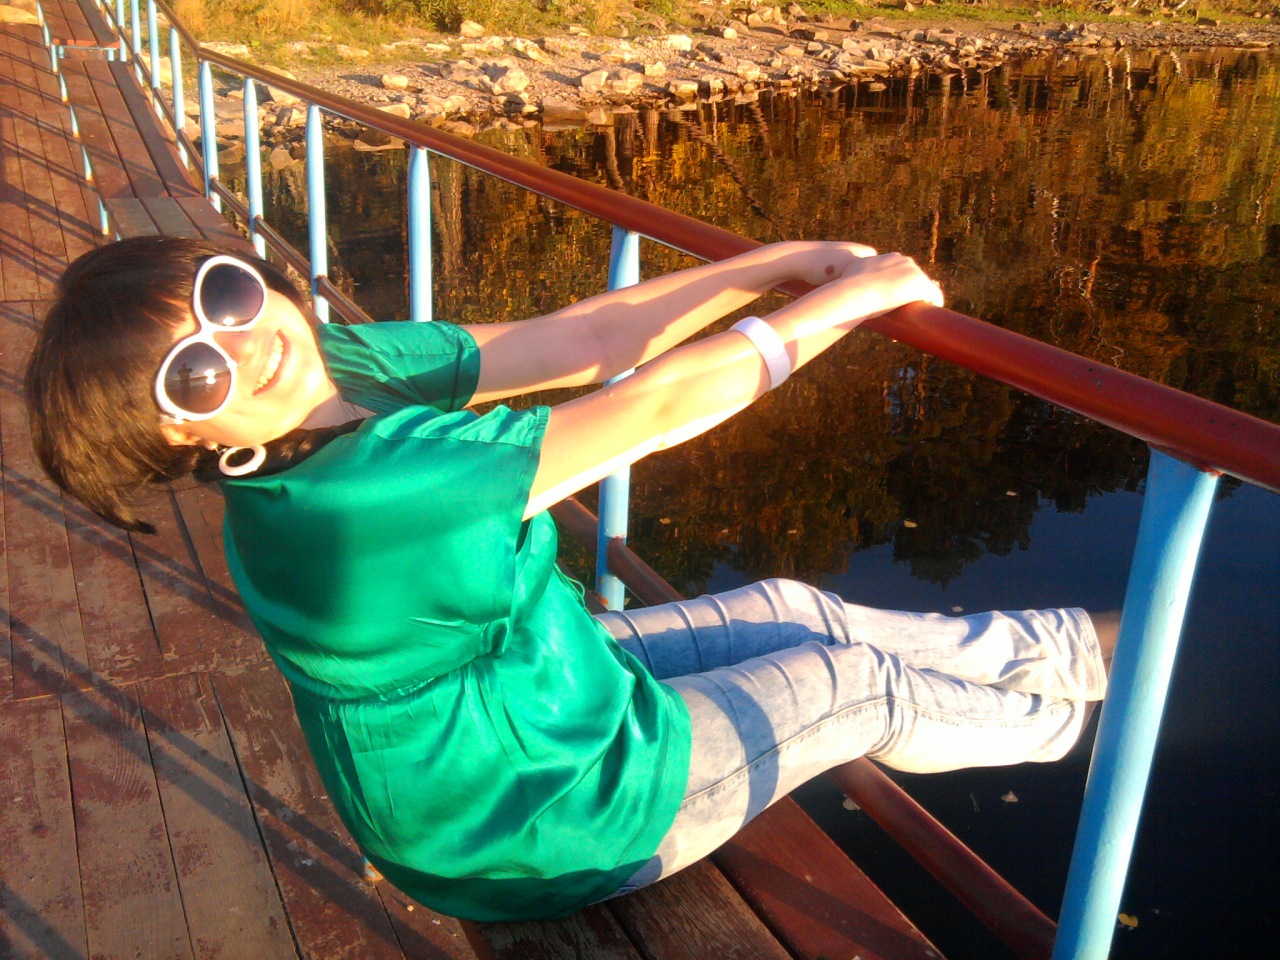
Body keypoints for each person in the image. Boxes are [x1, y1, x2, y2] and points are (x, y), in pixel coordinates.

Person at [25, 235, 1112, 922]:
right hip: (526, 826)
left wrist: (780, 262)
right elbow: (655, 406)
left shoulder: (335, 372)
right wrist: (848, 301)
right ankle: (1098, 731)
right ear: (182, 434)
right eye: (196, 372)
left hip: (518, 697)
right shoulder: (357, 497)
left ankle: (1083, 654)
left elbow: (578, 340)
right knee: (855, 686)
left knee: (790, 608)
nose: (246, 342)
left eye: (224, 295)